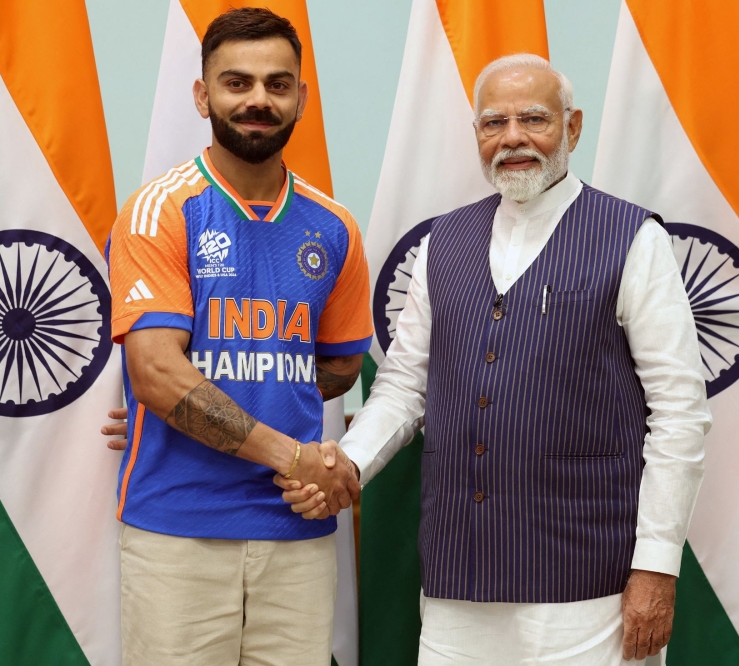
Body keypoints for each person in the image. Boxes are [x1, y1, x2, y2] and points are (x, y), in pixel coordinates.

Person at [278, 54, 711, 665]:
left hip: (589, 581)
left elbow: (680, 415)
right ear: (476, 135)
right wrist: (345, 463)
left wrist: (657, 567)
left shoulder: (634, 238)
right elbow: (404, 386)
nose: (512, 138)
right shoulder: (441, 242)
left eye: (533, 119)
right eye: (493, 123)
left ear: (573, 127)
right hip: (460, 578)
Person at [104, 8, 370, 665]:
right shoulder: (159, 209)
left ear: (301, 98)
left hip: (297, 526)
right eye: (237, 82)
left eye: (277, 84)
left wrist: (230, 389)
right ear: (203, 95)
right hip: (179, 531)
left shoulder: (334, 225)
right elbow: (159, 375)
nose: (257, 99)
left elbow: (341, 364)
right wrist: (288, 452)